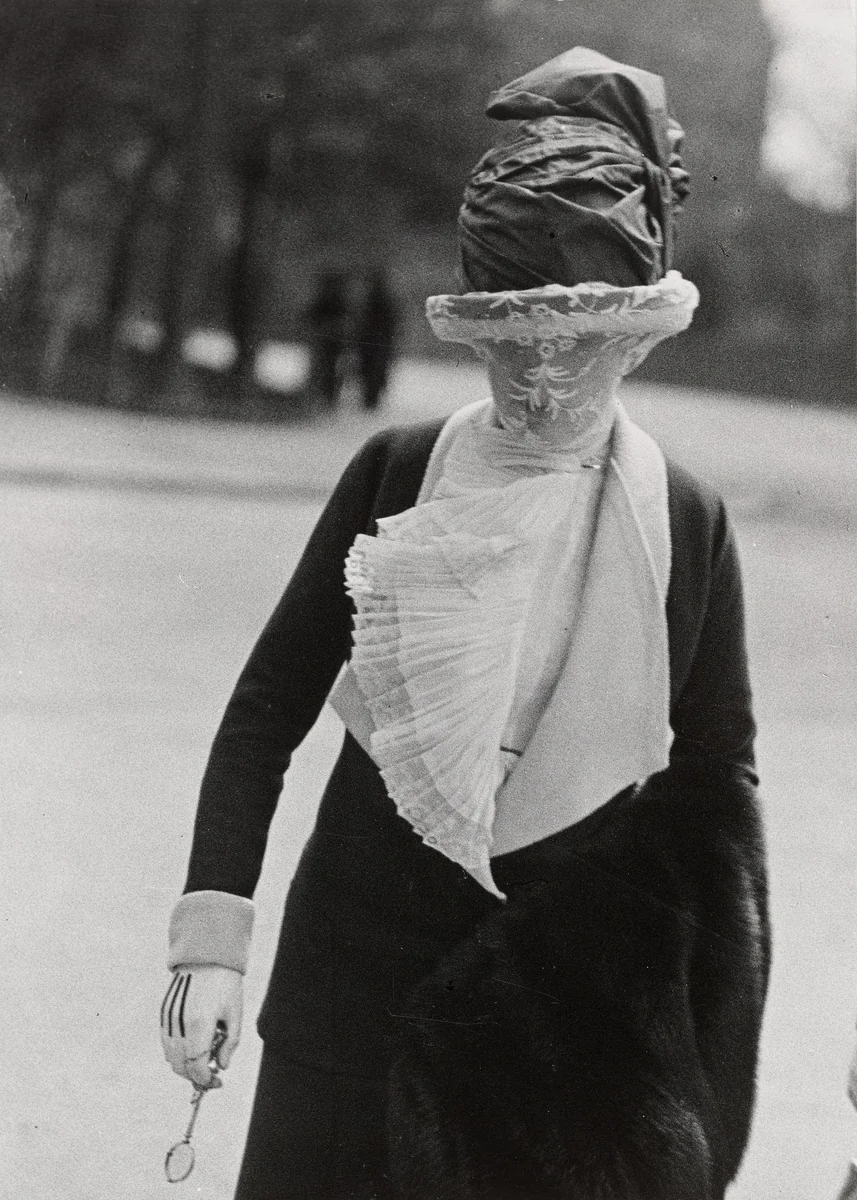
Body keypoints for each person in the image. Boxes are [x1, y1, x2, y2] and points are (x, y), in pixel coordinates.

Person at [160, 48, 769, 1200]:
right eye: (509, 341)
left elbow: (717, 797)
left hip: (543, 1037)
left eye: (575, 343)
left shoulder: (684, 522)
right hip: (347, 994)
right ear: (475, 330)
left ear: (634, 334)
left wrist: (696, 1084)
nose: (539, 377)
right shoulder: (399, 470)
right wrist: (211, 946)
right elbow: (266, 709)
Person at [354, 271, 399, 411]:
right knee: (375, 370)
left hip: (372, 340)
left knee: (370, 370)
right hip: (378, 341)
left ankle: (370, 399)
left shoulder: (370, 300)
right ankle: (371, 399)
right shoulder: (384, 299)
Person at [305, 270, 348, 409]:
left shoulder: (334, 300)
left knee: (327, 368)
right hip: (329, 340)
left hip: (329, 341)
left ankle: (327, 395)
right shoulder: (337, 299)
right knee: (327, 368)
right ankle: (326, 395)